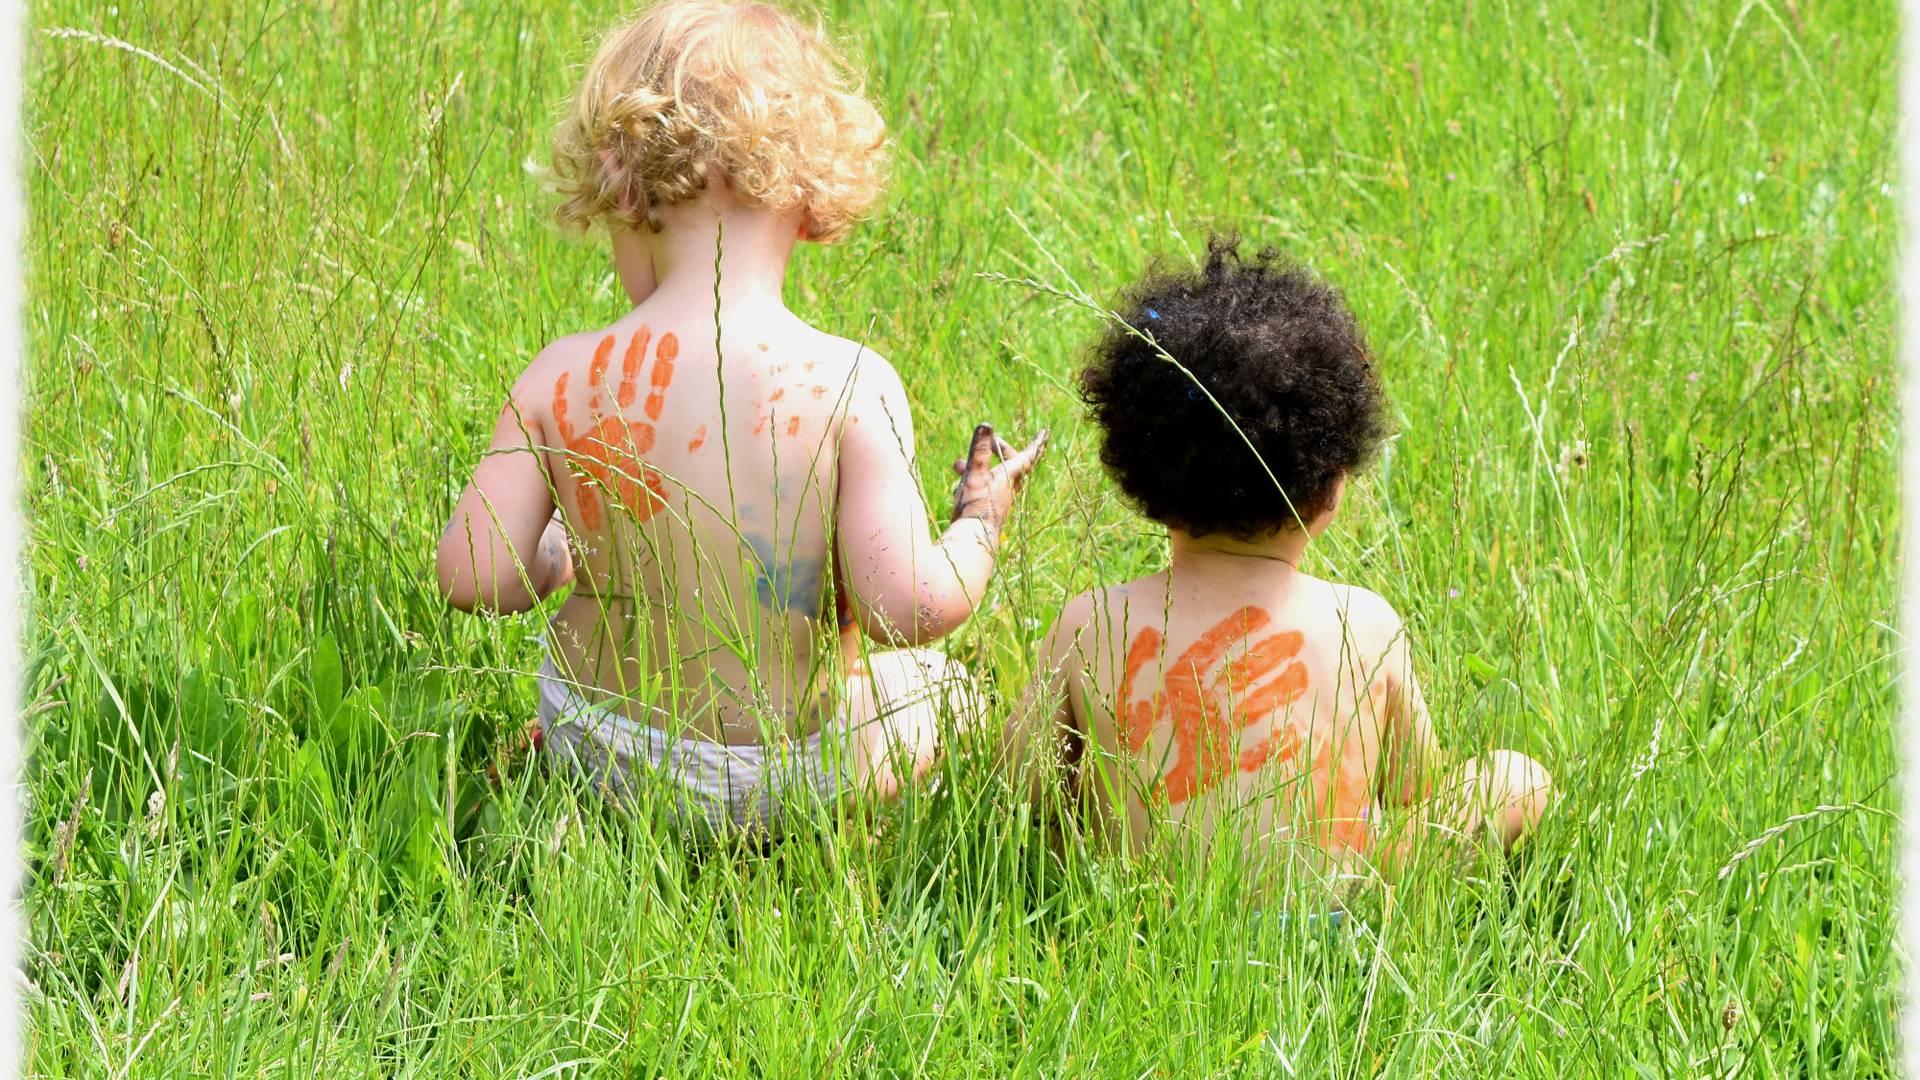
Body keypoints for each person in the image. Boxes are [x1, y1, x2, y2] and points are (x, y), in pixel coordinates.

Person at [435, 0, 1046, 840]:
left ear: (620, 188)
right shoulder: (848, 383)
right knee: (947, 689)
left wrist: (557, 551)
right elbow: (905, 609)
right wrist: (980, 521)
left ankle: (551, 772)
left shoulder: (563, 374)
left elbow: (473, 576)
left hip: (596, 748)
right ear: (809, 203)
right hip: (783, 784)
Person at [1004, 235, 1550, 900]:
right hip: (1335, 921)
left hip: (1137, 917)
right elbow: (1415, 790)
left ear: (1140, 480)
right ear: (1334, 485)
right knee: (1517, 778)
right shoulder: (1364, 625)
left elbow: (1017, 797)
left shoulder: (1090, 625)